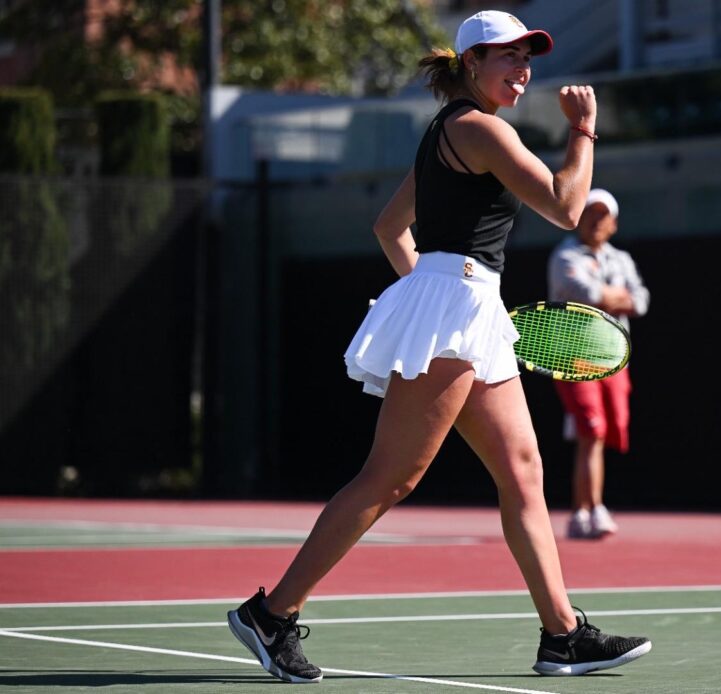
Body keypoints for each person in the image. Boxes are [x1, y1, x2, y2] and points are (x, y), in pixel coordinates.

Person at [224, 10, 652, 684]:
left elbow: (390, 226)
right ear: (472, 64)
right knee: (391, 476)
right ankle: (272, 614)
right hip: (458, 310)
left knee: (523, 473)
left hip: (465, 308)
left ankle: (562, 634)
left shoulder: (444, 134)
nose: (523, 70)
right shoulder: (478, 128)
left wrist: (432, 294)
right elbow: (569, 208)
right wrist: (583, 130)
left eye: (527, 58)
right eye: (508, 57)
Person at [547, 189, 649, 540]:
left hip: (614, 357)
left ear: (614, 223)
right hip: (576, 356)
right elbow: (588, 295)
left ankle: (589, 509)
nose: (596, 220)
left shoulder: (621, 259)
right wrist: (619, 298)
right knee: (592, 431)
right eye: (590, 212)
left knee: (604, 433)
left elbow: (642, 300)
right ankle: (587, 511)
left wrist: (615, 298)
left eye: (603, 215)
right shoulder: (564, 256)